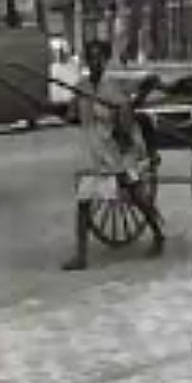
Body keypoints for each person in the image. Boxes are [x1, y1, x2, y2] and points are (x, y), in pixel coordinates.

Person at [61, 40, 164, 271]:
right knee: (84, 202)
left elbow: (126, 123)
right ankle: (81, 255)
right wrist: (67, 113)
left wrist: (122, 129)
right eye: (91, 58)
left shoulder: (114, 88)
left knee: (136, 196)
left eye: (99, 58)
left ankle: (158, 234)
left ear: (105, 61)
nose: (95, 62)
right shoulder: (82, 87)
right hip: (92, 152)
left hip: (118, 149)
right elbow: (72, 114)